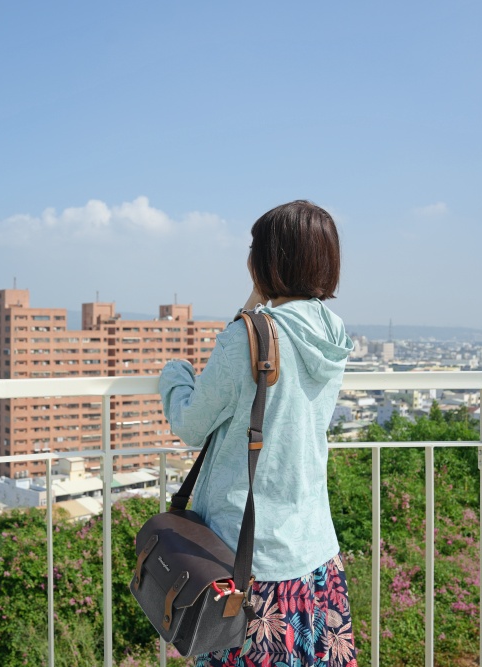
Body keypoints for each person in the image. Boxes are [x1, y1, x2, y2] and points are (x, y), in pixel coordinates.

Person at [158, 200, 357, 667]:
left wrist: (174, 375)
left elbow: (191, 424)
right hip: (313, 552)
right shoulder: (332, 334)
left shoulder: (247, 336)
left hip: (247, 559)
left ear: (266, 260)